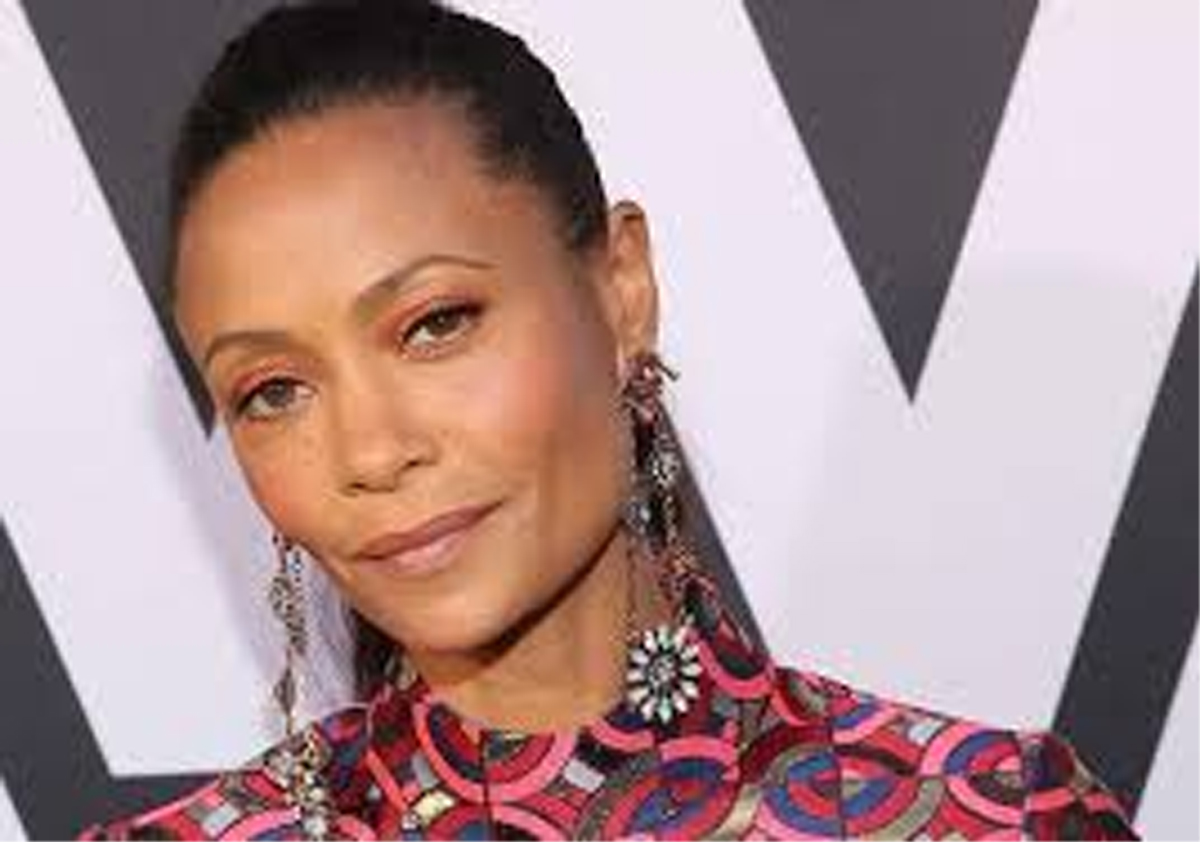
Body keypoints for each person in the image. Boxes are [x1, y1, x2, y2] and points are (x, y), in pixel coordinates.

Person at [83, 1, 1137, 839]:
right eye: (273, 390)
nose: (371, 450)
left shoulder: (990, 815)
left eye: (436, 324)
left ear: (622, 288)